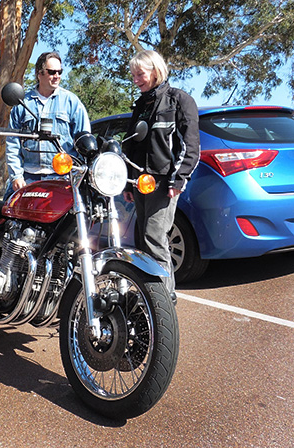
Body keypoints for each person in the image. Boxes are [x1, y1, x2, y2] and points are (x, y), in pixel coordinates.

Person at [122, 50, 200, 300]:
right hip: (139, 184)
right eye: (133, 75)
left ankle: (165, 299)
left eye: (140, 74)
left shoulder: (179, 100)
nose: (136, 80)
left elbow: (191, 147)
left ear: (156, 70)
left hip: (164, 183)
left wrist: (179, 180)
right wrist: (127, 183)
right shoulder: (140, 106)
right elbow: (130, 145)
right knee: (143, 243)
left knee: (154, 238)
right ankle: (150, 295)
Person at [5, 51, 91, 199]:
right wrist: (16, 176)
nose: (57, 76)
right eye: (52, 72)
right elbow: (12, 144)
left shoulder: (72, 102)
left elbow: (84, 140)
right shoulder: (22, 104)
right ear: (39, 73)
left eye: (59, 72)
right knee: (8, 213)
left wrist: (79, 175)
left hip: (63, 178)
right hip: (28, 178)